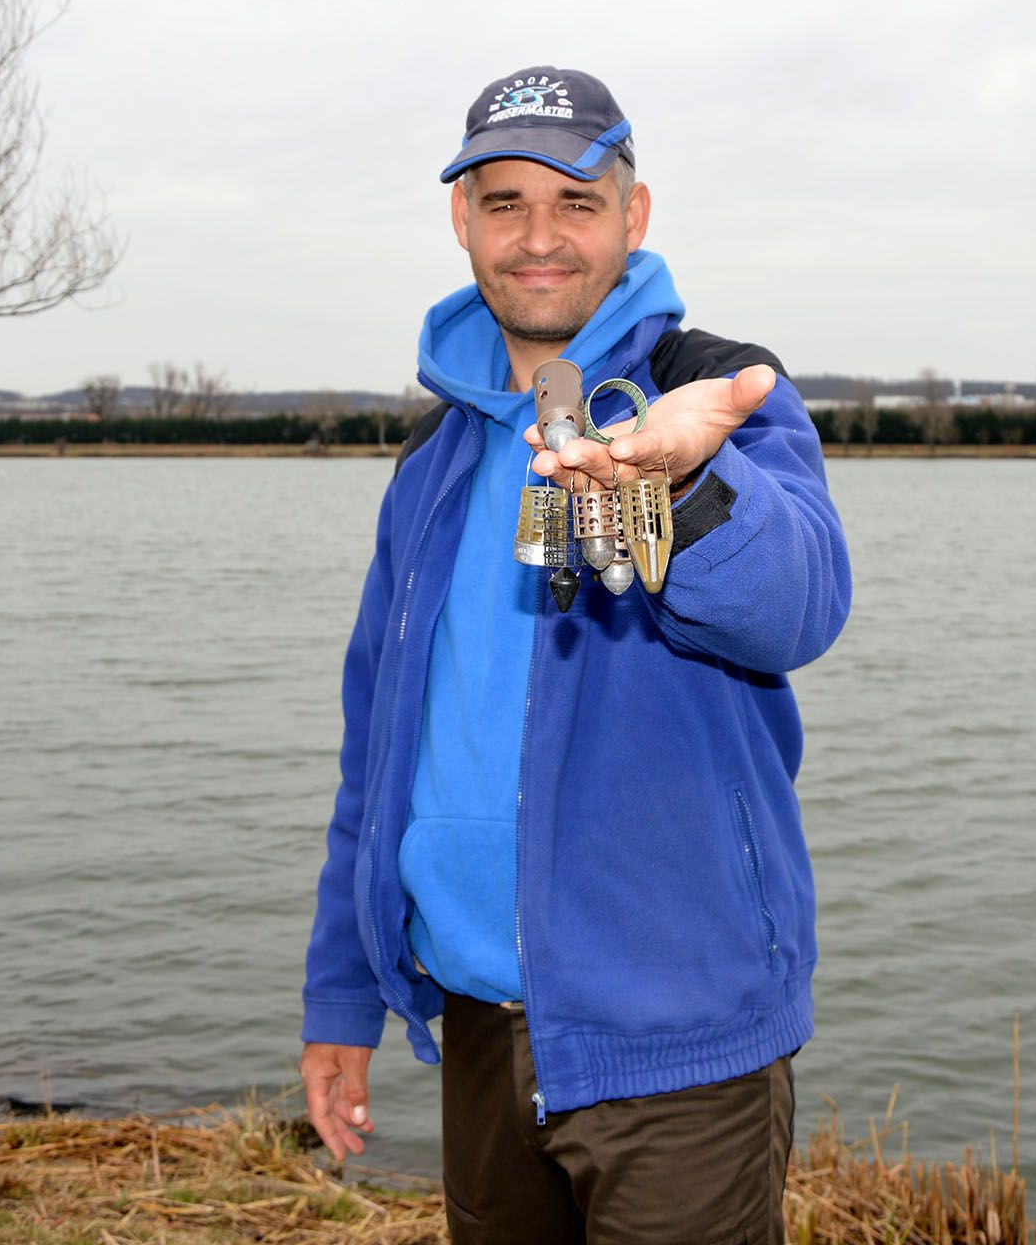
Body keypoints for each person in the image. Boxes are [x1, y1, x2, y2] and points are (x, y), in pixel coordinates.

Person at [299, 65, 852, 1245]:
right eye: (504, 203)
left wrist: (684, 484)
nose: (539, 238)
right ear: (463, 222)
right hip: (477, 1025)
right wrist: (343, 990)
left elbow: (798, 607)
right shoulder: (429, 462)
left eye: (577, 202)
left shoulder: (717, 393)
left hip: (677, 1041)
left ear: (634, 217)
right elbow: (377, 751)